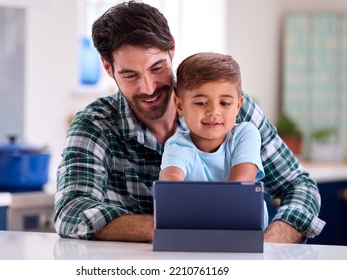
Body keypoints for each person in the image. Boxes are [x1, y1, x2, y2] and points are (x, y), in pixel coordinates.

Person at [54, 1, 324, 243]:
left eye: (156, 68)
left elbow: (299, 186)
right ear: (107, 67)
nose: (148, 87)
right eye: (130, 75)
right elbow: (71, 211)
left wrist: (269, 243)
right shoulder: (95, 124)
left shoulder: (233, 111)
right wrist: (170, 227)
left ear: (171, 47)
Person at [159, 52, 269, 229]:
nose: (213, 112)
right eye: (201, 103)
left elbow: (239, 187)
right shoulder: (177, 145)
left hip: (243, 234)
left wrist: (189, 206)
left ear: (238, 105)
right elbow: (170, 187)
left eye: (224, 103)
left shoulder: (246, 134)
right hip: (197, 237)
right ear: (180, 106)